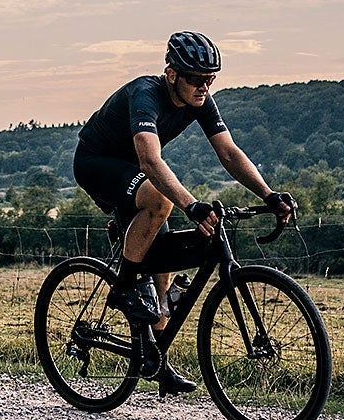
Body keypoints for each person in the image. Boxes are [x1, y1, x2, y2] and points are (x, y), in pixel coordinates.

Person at [73, 33, 296, 390]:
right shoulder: (146, 94)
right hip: (96, 164)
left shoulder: (201, 101)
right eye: (196, 79)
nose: (204, 86)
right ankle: (124, 288)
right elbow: (149, 159)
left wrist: (269, 195)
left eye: (211, 78)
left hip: (134, 171)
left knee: (162, 266)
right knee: (161, 201)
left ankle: (156, 361)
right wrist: (190, 205)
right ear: (172, 74)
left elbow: (229, 153)